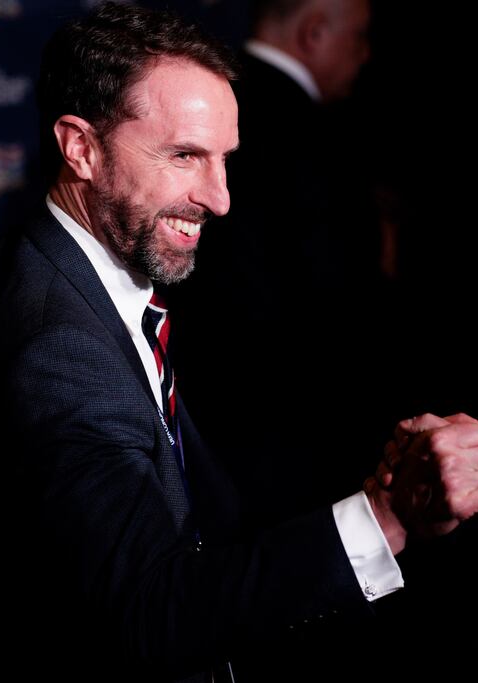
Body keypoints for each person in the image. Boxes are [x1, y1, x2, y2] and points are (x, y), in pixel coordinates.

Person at [0, 4, 478, 681]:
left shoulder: (42, 263)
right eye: (185, 156)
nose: (220, 198)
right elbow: (149, 611)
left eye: (224, 159)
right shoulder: (54, 342)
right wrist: (382, 519)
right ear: (79, 147)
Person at [169, 0, 390, 527]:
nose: (365, 54)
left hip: (198, 426)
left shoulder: (200, 105)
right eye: (357, 36)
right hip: (304, 438)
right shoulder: (318, 136)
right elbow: (340, 294)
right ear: (314, 32)